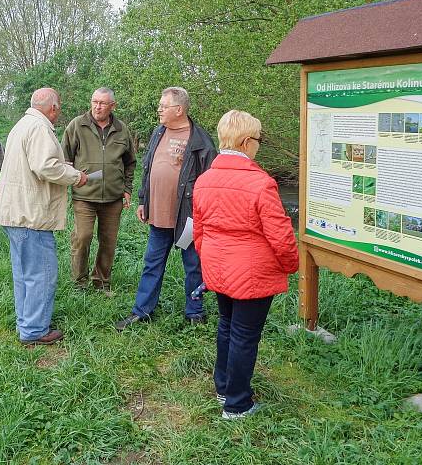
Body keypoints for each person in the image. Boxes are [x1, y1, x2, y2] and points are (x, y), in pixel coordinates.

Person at [192, 110, 299, 419]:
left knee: (227, 325)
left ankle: (224, 386)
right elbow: (281, 235)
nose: (259, 145)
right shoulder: (260, 184)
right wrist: (290, 264)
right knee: (245, 334)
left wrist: (211, 258)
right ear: (247, 142)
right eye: (259, 139)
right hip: (252, 272)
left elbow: (199, 231)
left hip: (218, 265)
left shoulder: (205, 180)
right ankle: (238, 404)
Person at [115, 87, 217, 330]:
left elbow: (210, 181)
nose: (159, 109)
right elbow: (149, 168)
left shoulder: (200, 140)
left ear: (179, 109)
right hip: (158, 215)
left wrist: (202, 215)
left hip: (187, 218)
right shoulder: (158, 132)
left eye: (164, 106)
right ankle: (142, 311)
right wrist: (143, 200)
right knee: (152, 263)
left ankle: (195, 312)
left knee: (193, 265)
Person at [0, 88, 88, 346]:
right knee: (41, 274)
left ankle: (26, 323)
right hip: (30, 214)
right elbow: (45, 166)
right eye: (59, 108)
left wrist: (64, 168)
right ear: (53, 108)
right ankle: (34, 330)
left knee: (23, 273)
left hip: (14, 212)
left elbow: (36, 163)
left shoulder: (23, 124)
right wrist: (75, 176)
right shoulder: (40, 127)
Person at [62, 87, 136, 294]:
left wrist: (127, 188)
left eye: (103, 103)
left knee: (109, 241)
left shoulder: (122, 129)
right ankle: (79, 282)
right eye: (95, 101)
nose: (97, 106)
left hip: (113, 197)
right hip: (84, 195)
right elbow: (65, 158)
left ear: (113, 106)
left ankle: (101, 281)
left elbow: (130, 162)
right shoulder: (77, 125)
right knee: (83, 236)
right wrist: (72, 178)